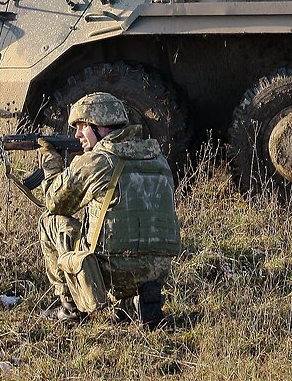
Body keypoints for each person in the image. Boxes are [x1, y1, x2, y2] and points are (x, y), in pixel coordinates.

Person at [34, 91, 181, 328]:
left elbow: (55, 202)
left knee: (50, 221)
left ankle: (69, 307)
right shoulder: (158, 158)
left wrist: (51, 164)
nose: (76, 134)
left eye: (82, 126)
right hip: (157, 271)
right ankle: (139, 302)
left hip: (111, 270)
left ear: (100, 127)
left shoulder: (97, 161)